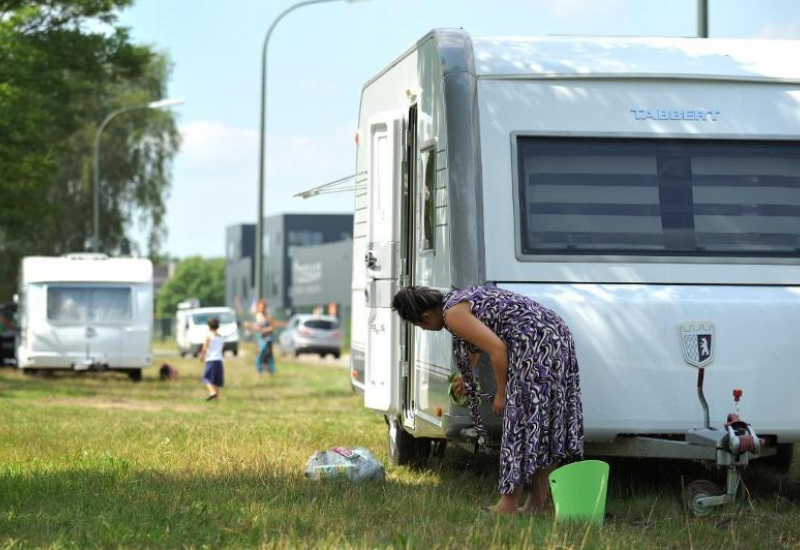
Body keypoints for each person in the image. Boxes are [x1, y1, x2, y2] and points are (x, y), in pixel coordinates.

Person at [391, 285, 584, 515]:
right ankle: (535, 505)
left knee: (520, 423)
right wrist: (467, 375)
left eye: (420, 325)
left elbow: (497, 348)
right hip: (554, 334)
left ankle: (508, 505)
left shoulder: (452, 315)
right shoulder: (457, 299)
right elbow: (482, 337)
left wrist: (502, 392)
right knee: (544, 423)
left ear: (426, 316)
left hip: (535, 344)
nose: (424, 329)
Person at [251, 298, 280, 377]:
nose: (262, 309)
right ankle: (258, 372)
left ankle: (271, 372)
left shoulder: (268, 317)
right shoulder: (257, 316)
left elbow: (273, 326)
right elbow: (255, 327)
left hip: (267, 339)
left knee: (268, 355)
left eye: (263, 307)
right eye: (260, 307)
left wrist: (264, 330)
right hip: (259, 339)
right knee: (259, 356)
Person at [199, 317, 224, 401]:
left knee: (207, 379)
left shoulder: (209, 336)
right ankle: (217, 398)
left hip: (211, 360)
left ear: (209, 326)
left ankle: (212, 392)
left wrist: (202, 357)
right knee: (217, 381)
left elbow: (204, 348)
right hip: (219, 360)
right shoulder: (221, 337)